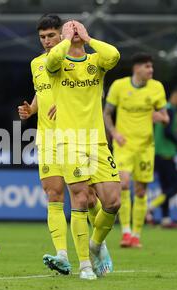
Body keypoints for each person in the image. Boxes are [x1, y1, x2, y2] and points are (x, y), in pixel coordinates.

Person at [17, 15, 111, 276]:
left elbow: (88, 90)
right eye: (42, 37)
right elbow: (42, 89)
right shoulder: (37, 63)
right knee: (53, 194)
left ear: (63, 35)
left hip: (78, 135)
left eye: (51, 36)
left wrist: (68, 101)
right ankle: (62, 255)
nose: (46, 41)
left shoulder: (77, 62)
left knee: (88, 197)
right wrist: (32, 109)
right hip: (48, 138)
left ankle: (98, 245)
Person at [45, 20, 121, 279]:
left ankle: (95, 244)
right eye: (69, 29)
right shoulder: (57, 64)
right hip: (69, 142)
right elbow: (53, 58)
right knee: (79, 199)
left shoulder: (95, 62)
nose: (74, 32)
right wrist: (66, 39)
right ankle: (85, 265)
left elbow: (114, 55)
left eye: (77, 29)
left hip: (97, 142)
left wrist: (88, 39)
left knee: (112, 202)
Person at [103, 52, 169, 248]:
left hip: (145, 146)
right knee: (123, 183)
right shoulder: (119, 86)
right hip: (124, 145)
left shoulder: (157, 88)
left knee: (140, 190)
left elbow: (166, 117)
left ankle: (136, 235)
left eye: (151, 67)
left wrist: (162, 118)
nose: (151, 70)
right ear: (137, 68)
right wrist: (114, 133)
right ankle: (125, 232)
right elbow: (107, 113)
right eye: (147, 67)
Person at [150, 86, 177, 227]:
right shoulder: (171, 109)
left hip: (157, 153)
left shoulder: (163, 108)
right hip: (166, 154)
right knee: (176, 186)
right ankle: (152, 205)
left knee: (165, 188)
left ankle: (166, 219)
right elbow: (167, 132)